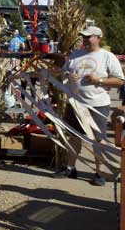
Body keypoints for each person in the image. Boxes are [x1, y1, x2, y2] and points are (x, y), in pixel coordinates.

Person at [52, 26, 125, 186]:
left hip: (97, 105)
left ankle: (100, 173)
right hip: (75, 104)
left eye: (88, 37)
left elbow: (119, 81)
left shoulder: (107, 57)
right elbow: (63, 72)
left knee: (97, 140)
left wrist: (98, 80)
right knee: (73, 136)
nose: (85, 40)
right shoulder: (76, 55)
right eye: (83, 37)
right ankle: (70, 168)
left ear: (99, 37)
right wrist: (66, 74)